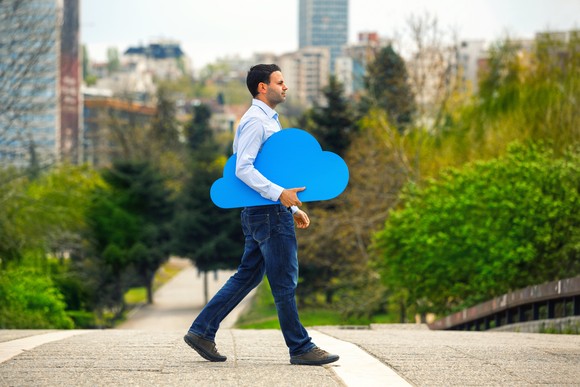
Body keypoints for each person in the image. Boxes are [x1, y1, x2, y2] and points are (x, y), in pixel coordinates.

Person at [184, 64, 339, 366]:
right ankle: (300, 347)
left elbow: (273, 173)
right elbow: (243, 168)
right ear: (262, 87)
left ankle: (202, 330)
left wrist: (291, 206)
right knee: (283, 282)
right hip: (267, 213)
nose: (286, 87)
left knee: (247, 276)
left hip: (265, 211)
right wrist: (280, 196)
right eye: (280, 82)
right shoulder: (257, 121)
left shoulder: (265, 120)